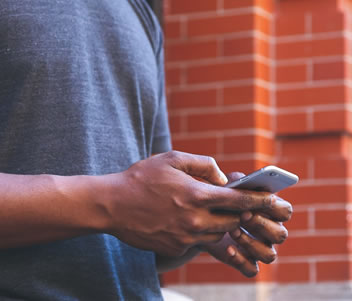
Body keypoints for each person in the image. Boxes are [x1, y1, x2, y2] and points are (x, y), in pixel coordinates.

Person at [0, 0, 292, 300]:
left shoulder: (138, 13)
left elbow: (140, 224)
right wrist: (112, 202)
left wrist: (201, 225)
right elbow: (123, 203)